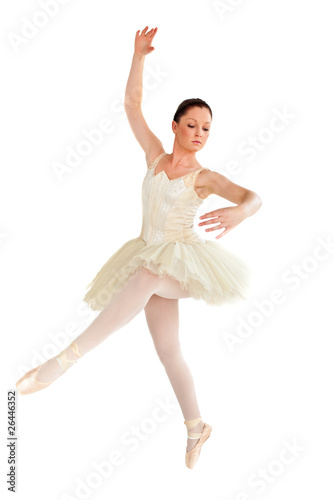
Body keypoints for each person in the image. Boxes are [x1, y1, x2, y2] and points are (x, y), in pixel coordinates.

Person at [15, 26, 262, 469]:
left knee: (147, 276)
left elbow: (252, 197)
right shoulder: (154, 156)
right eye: (191, 124)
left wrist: (240, 213)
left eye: (206, 127)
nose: (199, 132)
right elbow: (130, 105)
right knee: (168, 351)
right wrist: (138, 56)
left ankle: (62, 361)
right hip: (146, 250)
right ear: (175, 126)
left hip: (185, 263)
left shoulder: (204, 178)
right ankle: (196, 426)